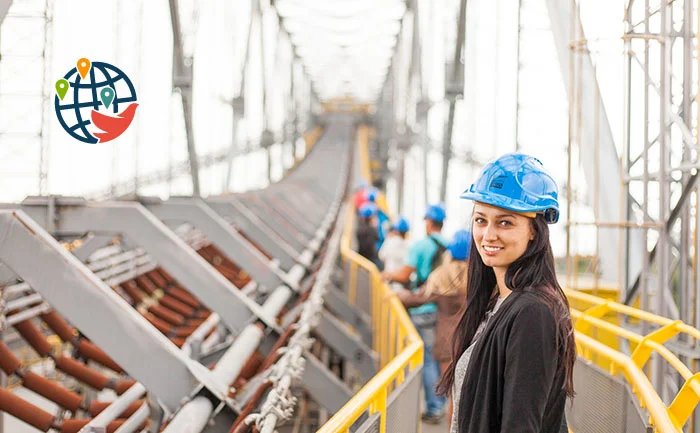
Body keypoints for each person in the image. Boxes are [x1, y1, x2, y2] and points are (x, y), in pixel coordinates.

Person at [437, 153, 575, 433]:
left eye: (505, 222)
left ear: (534, 231)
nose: (488, 235)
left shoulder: (532, 313)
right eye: (480, 220)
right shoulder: (497, 303)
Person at [394, 229, 471, 423]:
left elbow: (417, 298)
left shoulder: (441, 275)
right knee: (469, 397)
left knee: (454, 397)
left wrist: (395, 296)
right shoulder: (480, 277)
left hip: (447, 343)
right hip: (472, 340)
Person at [382, 203, 448, 424]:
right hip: (443, 309)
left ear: (428, 222)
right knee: (439, 357)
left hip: (422, 308)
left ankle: (434, 406)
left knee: (427, 358)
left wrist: (388, 275)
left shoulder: (421, 246)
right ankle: (442, 403)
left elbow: (405, 274)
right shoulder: (447, 246)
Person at [378, 216, 411, 291]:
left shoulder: (390, 241)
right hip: (402, 284)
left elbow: (381, 256)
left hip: (389, 280)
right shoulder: (408, 245)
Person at [355, 202, 383, 270]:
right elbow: (378, 238)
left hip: (363, 257)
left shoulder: (361, 228)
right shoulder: (371, 230)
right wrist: (375, 227)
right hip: (370, 259)